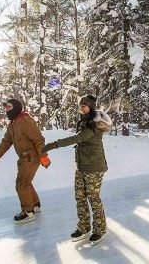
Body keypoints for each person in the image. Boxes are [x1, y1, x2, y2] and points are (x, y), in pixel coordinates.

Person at [43, 95, 112, 245]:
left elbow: (76, 139)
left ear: (91, 107)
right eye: (80, 105)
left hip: (94, 167)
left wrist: (52, 145)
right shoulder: (85, 121)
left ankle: (100, 230)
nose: (81, 108)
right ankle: (84, 226)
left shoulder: (94, 125)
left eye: (84, 106)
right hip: (82, 166)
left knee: (93, 198)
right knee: (80, 197)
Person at [0, 98, 51, 223]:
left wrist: (43, 156)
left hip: (31, 157)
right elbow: (6, 142)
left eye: (9, 107)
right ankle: (35, 204)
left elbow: (38, 139)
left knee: (21, 184)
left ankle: (27, 212)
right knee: (26, 182)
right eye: (5, 107)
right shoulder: (13, 124)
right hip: (24, 157)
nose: (6, 109)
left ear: (16, 108)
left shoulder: (25, 121)